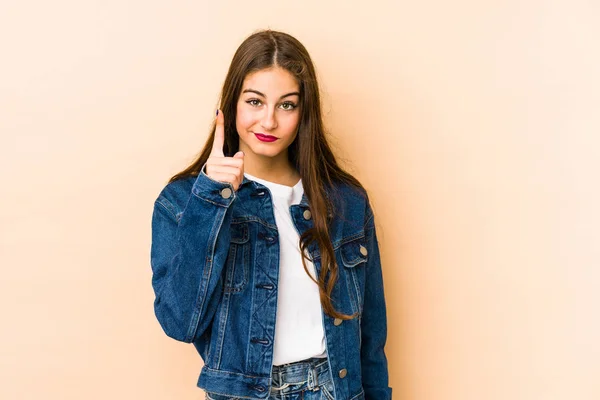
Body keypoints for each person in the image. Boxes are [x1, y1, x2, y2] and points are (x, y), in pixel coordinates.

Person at [150, 29, 392, 400]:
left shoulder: (347, 202)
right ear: (231, 104)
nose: (268, 122)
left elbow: (371, 340)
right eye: (255, 101)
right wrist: (211, 200)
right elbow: (181, 323)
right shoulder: (183, 201)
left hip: (335, 389)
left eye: (287, 105)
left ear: (303, 112)